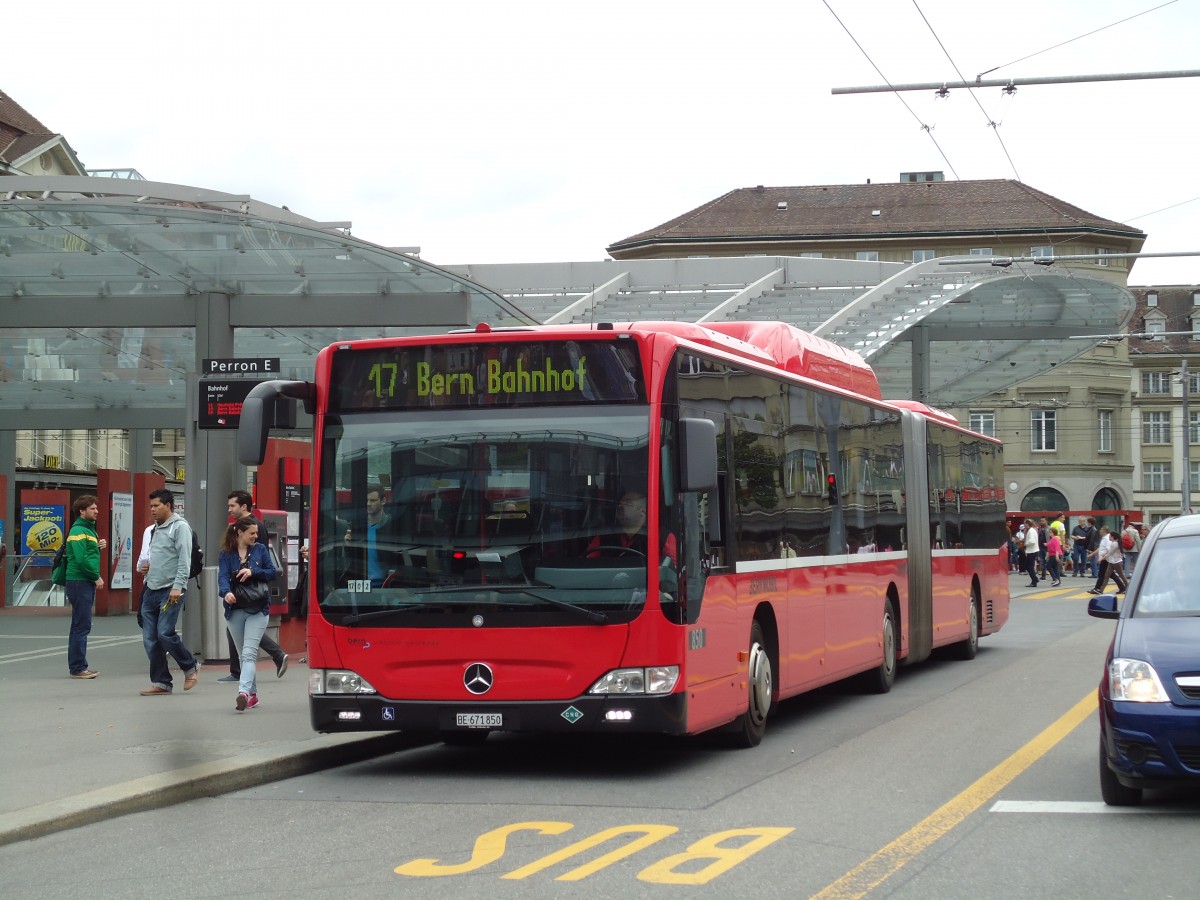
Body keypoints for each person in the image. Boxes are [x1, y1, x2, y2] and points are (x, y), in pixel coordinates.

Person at [219, 490, 288, 683]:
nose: (229, 509)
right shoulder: (236, 535)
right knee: (237, 630)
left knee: (246, 633)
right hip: (240, 594)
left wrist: (251, 571)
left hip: (252, 592)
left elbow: (265, 562)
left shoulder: (253, 527)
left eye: (232, 505)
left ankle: (242, 671)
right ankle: (243, 672)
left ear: (244, 506)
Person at [138, 488, 201, 696]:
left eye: (156, 506)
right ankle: (162, 682)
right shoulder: (155, 529)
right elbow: (157, 556)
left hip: (170, 589)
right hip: (151, 587)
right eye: (151, 507)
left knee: (164, 633)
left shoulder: (180, 527)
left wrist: (178, 585)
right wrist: (146, 570)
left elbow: (185, 559)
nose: (153, 510)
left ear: (168, 506)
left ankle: (190, 666)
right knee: (150, 639)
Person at [218, 515, 278, 711]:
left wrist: (253, 572)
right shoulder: (226, 554)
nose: (256, 536)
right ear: (240, 533)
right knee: (244, 656)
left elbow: (272, 572)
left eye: (257, 533)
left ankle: (243, 692)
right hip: (234, 609)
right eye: (252, 533)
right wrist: (226, 593)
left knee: (249, 653)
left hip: (258, 608)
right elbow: (223, 578)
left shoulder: (260, 550)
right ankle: (252, 695)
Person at [64, 494, 107, 679]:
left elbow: (86, 553)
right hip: (79, 581)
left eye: (96, 508)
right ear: (82, 511)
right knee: (82, 625)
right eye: (92, 508)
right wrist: (96, 576)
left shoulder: (88, 530)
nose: (97, 511)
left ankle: (78, 666)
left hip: (80, 581)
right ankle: (78, 668)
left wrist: (98, 545)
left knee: (80, 625)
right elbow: (81, 560)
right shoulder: (79, 531)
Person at [343, 483, 392, 585]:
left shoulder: (392, 527)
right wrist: (348, 546)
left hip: (386, 585)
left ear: (383, 501)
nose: (368, 504)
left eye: (373, 500)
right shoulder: (356, 528)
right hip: (360, 584)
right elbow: (349, 563)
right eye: (366, 500)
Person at [1090, 525, 1128, 595]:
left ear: (1112, 537)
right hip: (1111, 562)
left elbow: (1109, 553)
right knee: (1106, 576)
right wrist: (1094, 554)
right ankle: (1100, 590)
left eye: (1101, 530)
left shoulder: (1113, 543)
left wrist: (1101, 559)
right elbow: (1103, 549)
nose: (1100, 531)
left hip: (1115, 562)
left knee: (1120, 575)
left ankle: (1127, 588)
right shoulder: (1106, 539)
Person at [1021, 518, 1040, 588]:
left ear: (1027, 524)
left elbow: (1032, 541)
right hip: (1033, 550)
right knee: (1029, 566)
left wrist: (1025, 544)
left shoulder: (1031, 531)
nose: (1024, 525)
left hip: (1032, 551)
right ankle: (1035, 579)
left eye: (1025, 524)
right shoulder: (1032, 530)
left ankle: (1034, 580)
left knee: (1029, 567)